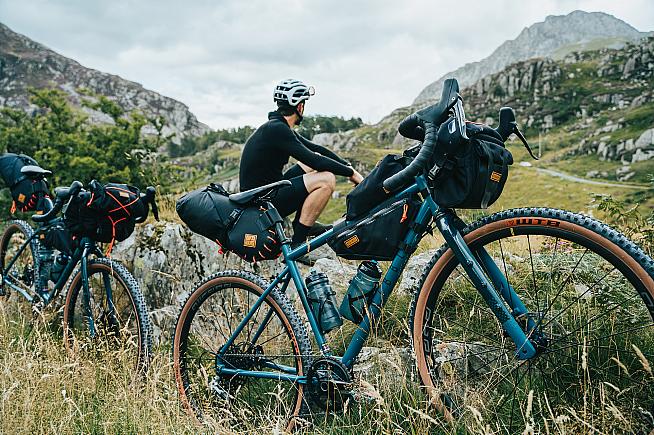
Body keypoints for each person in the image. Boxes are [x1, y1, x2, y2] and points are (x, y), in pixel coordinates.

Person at [239, 79, 363, 246]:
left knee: (311, 163)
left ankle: (304, 224)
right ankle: (298, 242)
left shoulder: (276, 127)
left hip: (263, 194)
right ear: (299, 106)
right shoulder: (277, 129)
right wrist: (351, 174)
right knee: (327, 179)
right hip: (260, 204)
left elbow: (317, 150)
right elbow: (317, 162)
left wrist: (347, 166)